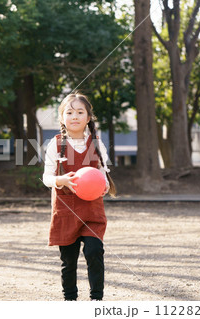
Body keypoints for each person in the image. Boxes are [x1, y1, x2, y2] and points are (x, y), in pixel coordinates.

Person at [42, 92, 116, 301]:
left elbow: (102, 173)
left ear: (88, 117)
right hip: (66, 209)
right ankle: (70, 300)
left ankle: (96, 300)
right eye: (69, 112)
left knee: (94, 251)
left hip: (92, 209)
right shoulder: (56, 145)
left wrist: (102, 186)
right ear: (62, 118)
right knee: (69, 260)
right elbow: (46, 177)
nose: (74, 116)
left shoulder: (96, 145)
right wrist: (61, 180)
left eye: (80, 112)